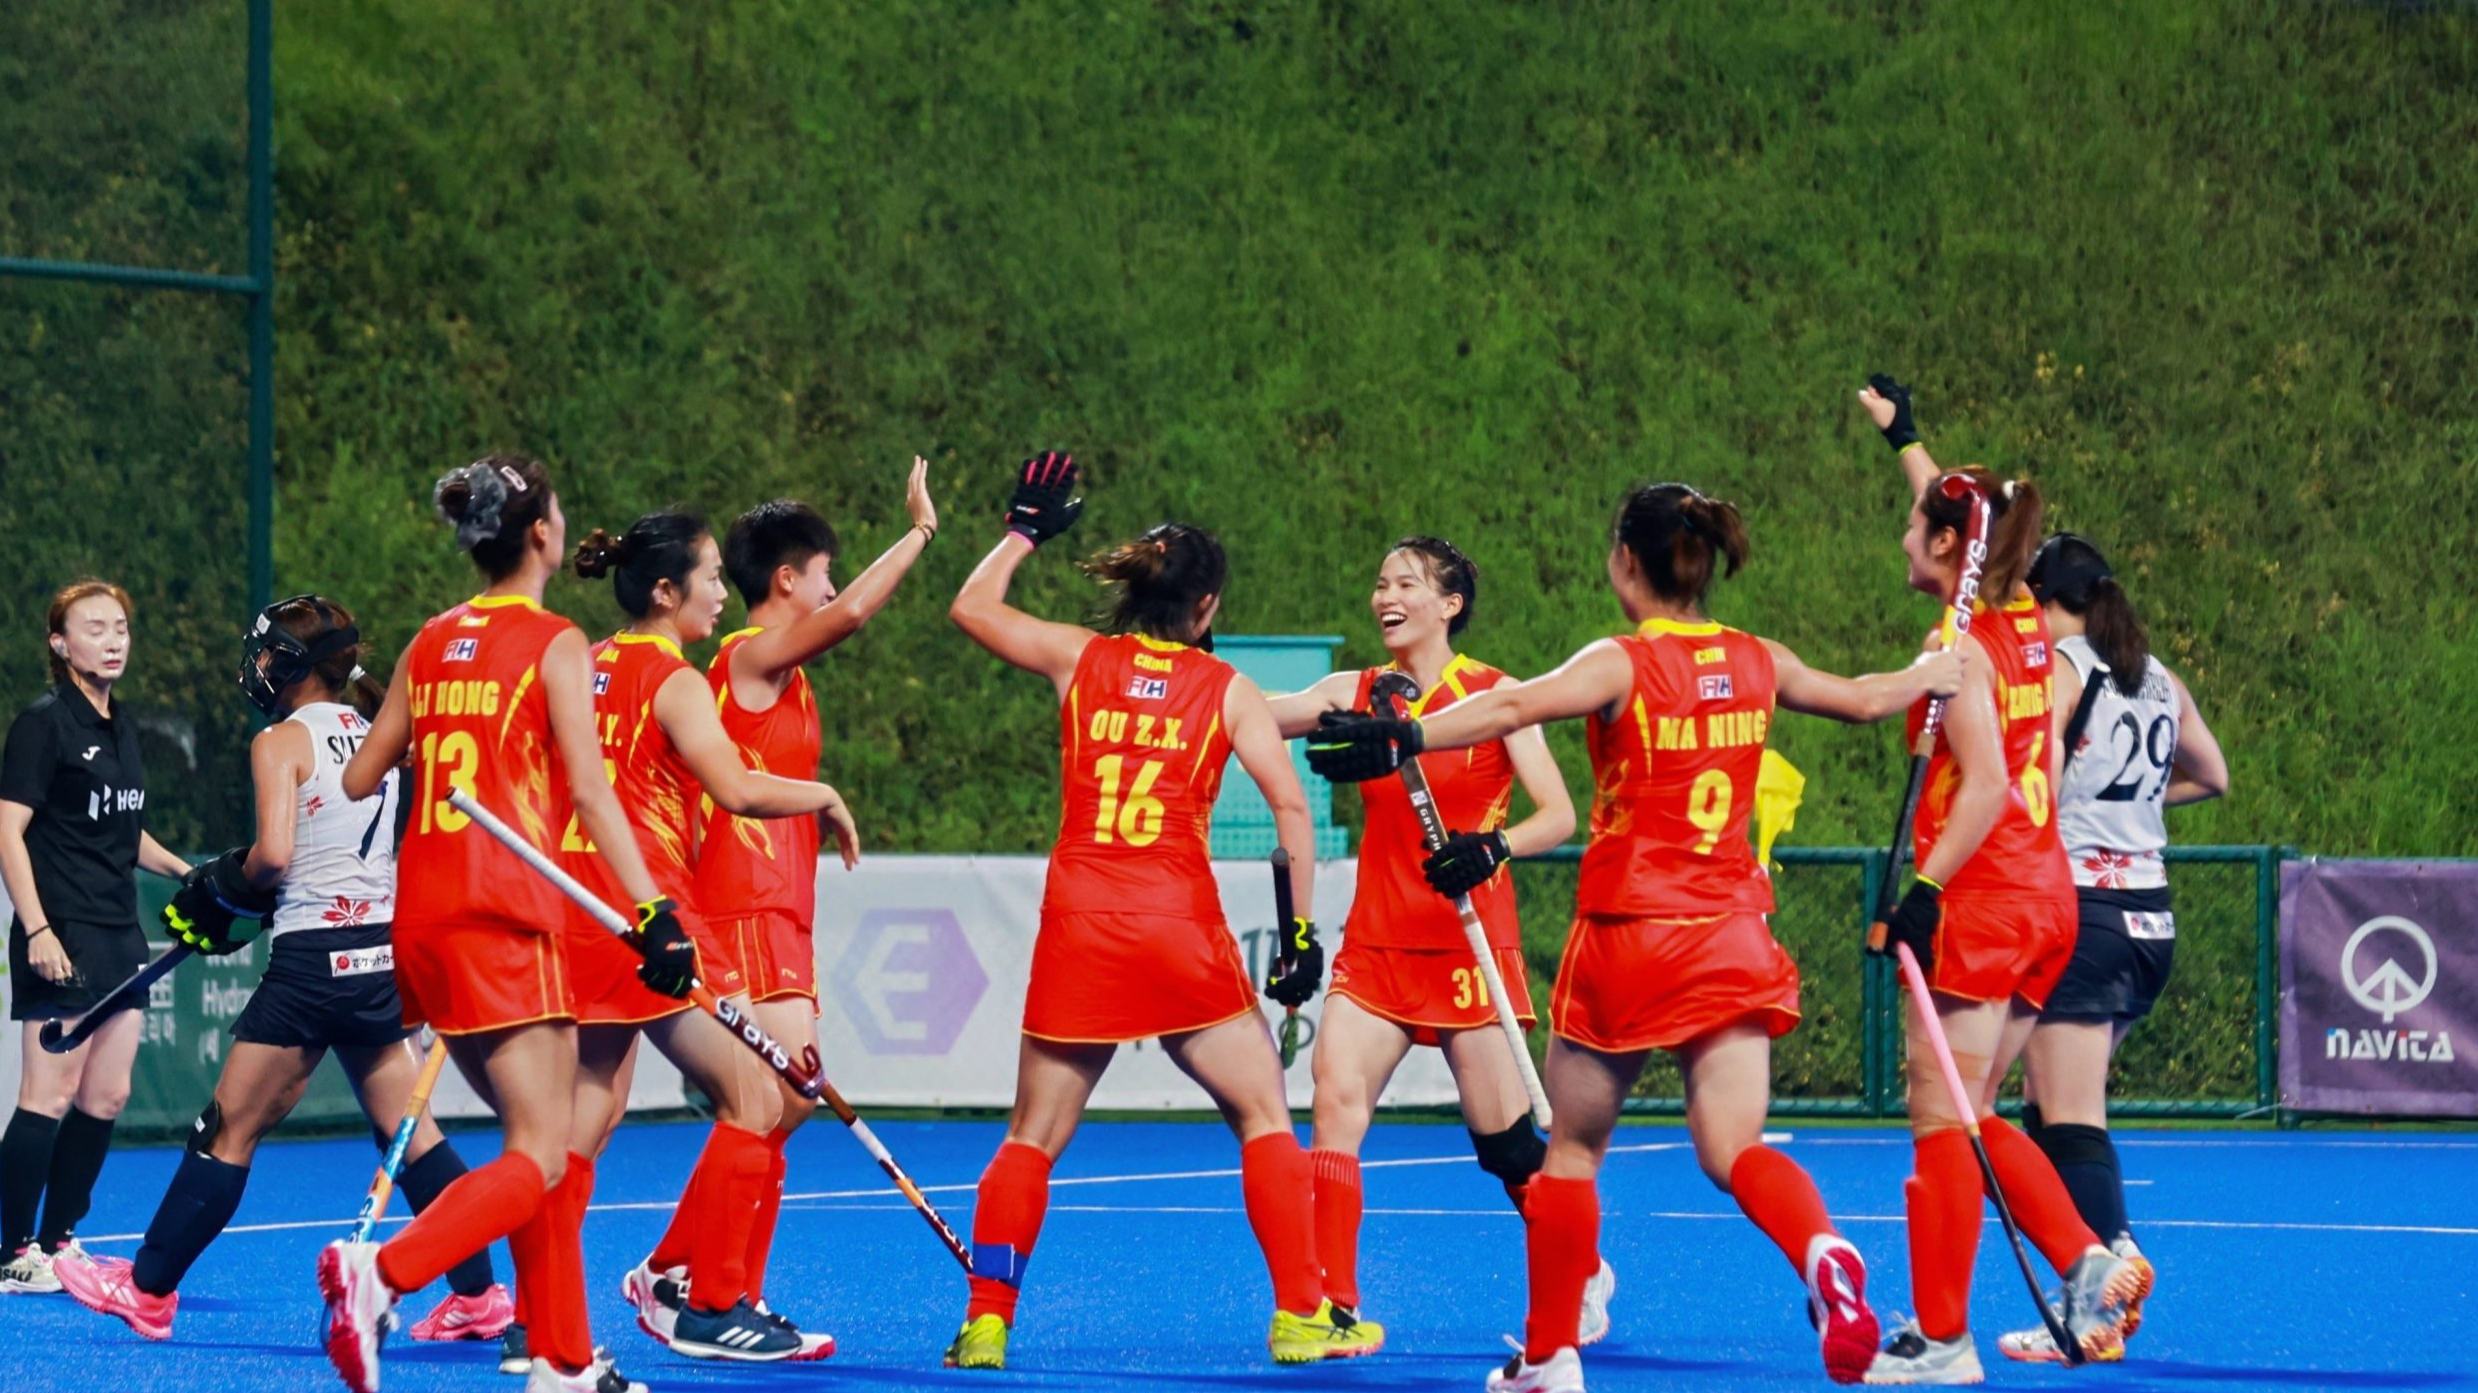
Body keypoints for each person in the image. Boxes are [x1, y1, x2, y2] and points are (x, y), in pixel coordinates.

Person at [1309, 483, 1964, 1392]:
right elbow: (1860, 699)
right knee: (1735, 1147)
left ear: (1626, 562)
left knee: (1571, 1156)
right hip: (1733, 934)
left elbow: (1510, 709)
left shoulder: (1619, 662)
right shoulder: (1759, 657)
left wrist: (1405, 734)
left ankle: (1549, 1357)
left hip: (1631, 935)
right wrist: (1928, 676)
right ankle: (1821, 1249)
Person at [938, 451, 1380, 1370]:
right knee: (1262, 1114)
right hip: (1176, 924)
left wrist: (1021, 533)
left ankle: (986, 1320)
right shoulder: (1228, 690)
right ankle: (1300, 1312)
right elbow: (1292, 809)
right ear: (1206, 608)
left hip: (1081, 920)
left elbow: (971, 608)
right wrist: (1299, 932)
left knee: (1031, 1137)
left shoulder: (1080, 656)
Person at [318, 454, 696, 1393]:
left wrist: (436, 730)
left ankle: (562, 1359)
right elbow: (594, 795)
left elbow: (361, 776)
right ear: (539, 533)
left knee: (541, 1146)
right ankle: (383, 1271)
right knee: (539, 1154)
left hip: (425, 920)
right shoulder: (556, 641)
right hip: (505, 916)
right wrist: (652, 909)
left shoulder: (429, 639)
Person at [50, 595, 510, 1341]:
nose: (257, 666)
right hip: (377, 959)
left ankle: (148, 1290)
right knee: (410, 1133)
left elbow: (274, 857)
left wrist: (223, 886)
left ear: (294, 665)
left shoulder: (280, 741)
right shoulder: (379, 730)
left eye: (266, 653)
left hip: (311, 967)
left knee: (226, 1127)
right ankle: (480, 1295)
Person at [1853, 375, 2147, 1383]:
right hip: (2045, 897)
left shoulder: (1960, 646)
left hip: (1980, 900)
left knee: (1940, 1123)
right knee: (1973, 1116)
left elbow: (1980, 787)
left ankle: (1941, 1339)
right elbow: (1970, 520)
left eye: (1914, 527)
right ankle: (2087, 1260)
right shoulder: (2022, 614)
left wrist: (1922, 892)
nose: (1903, 536)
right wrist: (1907, 439)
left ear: (1947, 547)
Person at [1263, 537, 1594, 1335]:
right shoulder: (1355, 692)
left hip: (1467, 945)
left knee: (1506, 1147)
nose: (1387, 596)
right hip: (1377, 945)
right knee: (1335, 1102)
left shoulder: (1497, 695)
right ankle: (1335, 1306)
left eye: (1406, 583)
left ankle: (1578, 1270)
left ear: (1449, 604)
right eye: (1381, 582)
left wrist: (1494, 846)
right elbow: (1252, 715)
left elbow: (1558, 814)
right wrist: (1188, 669)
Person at [563, 511, 861, 1364]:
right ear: (667, 591)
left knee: (582, 1123)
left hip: (580, 911)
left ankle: (539, 1316)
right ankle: (709, 1303)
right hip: (655, 916)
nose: (721, 592)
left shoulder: (581, 664)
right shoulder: (678, 679)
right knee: (758, 1099)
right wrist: (822, 794)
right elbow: (736, 788)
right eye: (709, 577)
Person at [645, 460, 935, 1333]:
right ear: (785, 579)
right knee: (773, 1099)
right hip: (740, 906)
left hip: (783, 910)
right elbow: (851, 615)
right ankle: (705, 1288)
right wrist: (920, 532)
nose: (832, 589)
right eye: (823, 572)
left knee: (789, 1099)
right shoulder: (748, 656)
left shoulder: (787, 674)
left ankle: (685, 1271)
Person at [1992, 532, 2228, 1363]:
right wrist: (2137, 809)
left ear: (2047, 600)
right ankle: (2089, 1289)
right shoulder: (2157, 676)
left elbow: (2036, 785)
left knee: (2067, 1115)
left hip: (2087, 912)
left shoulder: (2062, 668)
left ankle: (2107, 1268)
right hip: (2150, 917)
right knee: (2047, 1105)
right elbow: (2214, 774)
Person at [0, 580, 190, 1292]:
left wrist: (187, 873)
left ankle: (58, 1240)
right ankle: (11, 1252)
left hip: (119, 935)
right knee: (46, 1095)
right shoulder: (43, 723)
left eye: (121, 628)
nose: (113, 641)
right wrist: (38, 928)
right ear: (60, 643)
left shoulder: (121, 723)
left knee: (106, 1095)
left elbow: (123, 829)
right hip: (62, 933)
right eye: (95, 628)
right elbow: (7, 830)